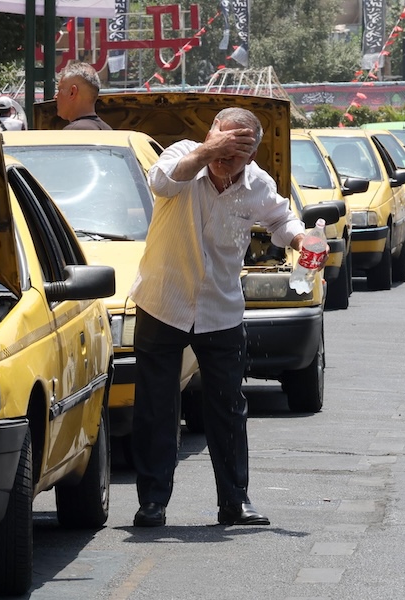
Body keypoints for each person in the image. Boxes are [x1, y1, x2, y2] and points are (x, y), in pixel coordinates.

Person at [129, 107, 317, 528]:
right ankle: (153, 502)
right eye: (221, 142)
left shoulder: (257, 184)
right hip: (163, 300)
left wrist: (302, 237)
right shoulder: (182, 155)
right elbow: (162, 181)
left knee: (228, 406)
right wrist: (206, 151)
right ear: (210, 133)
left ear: (252, 153)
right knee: (157, 407)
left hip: (220, 307)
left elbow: (280, 218)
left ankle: (235, 501)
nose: (226, 156)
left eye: (238, 149)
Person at [55, 61, 111, 131]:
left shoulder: (74, 131)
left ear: (72, 92)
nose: (55, 96)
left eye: (59, 90)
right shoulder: (108, 130)